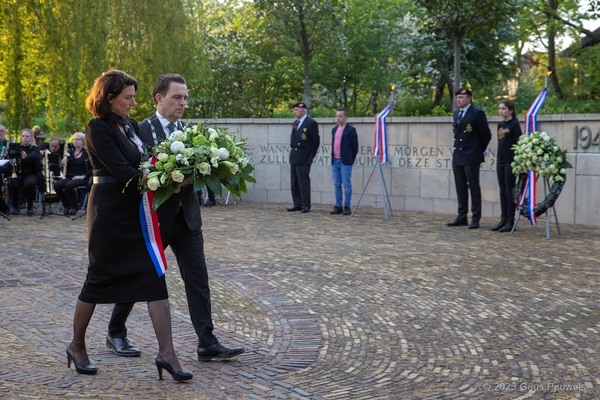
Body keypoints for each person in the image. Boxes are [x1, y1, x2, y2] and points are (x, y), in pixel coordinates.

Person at [107, 73, 245, 362]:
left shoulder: (194, 134)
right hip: (153, 219)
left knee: (198, 279)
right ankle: (116, 331)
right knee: (141, 275)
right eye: (177, 97)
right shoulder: (139, 130)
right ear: (159, 98)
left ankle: (207, 342)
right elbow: (134, 175)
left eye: (185, 97)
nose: (183, 102)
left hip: (188, 219)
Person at [67, 70, 192, 381]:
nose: (134, 102)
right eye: (128, 98)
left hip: (135, 211)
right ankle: (77, 346)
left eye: (135, 97)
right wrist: (166, 181)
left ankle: (167, 354)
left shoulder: (131, 126)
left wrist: (175, 169)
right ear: (109, 98)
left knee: (154, 277)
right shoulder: (97, 128)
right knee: (97, 281)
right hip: (109, 213)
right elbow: (124, 171)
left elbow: (146, 161)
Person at [447, 88, 492, 229]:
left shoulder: (476, 113)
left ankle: (475, 217)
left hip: (472, 155)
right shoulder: (456, 114)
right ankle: (461, 216)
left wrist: (478, 150)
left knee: (473, 186)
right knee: (460, 186)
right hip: (459, 154)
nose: (458, 100)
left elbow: (486, 135)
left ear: (469, 99)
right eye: (457, 97)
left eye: (461, 97)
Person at [492, 99, 522, 232]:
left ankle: (510, 220)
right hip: (500, 161)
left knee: (509, 191)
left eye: (503, 108)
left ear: (510, 110)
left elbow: (520, 142)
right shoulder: (500, 124)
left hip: (511, 161)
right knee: (502, 190)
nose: (501, 111)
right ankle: (503, 219)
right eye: (500, 108)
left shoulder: (514, 124)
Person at [286, 101, 320, 213]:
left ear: (302, 110)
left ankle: (306, 204)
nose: (294, 112)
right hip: (295, 155)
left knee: (303, 181)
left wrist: (311, 156)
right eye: (294, 110)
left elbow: (315, 142)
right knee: (294, 182)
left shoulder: (310, 123)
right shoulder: (295, 123)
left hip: (304, 157)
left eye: (296, 110)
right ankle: (297, 203)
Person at [329, 108, 358, 216]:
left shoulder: (351, 130)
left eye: (340, 116)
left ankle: (347, 206)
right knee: (336, 184)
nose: (338, 118)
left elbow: (355, 147)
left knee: (346, 184)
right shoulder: (334, 130)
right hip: (335, 160)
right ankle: (338, 206)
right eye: (337, 116)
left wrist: (350, 159)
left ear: (345, 117)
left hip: (345, 161)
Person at [54, 132, 91, 216]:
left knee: (69, 185)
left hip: (83, 178)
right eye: (74, 139)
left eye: (78, 139)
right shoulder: (70, 153)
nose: (75, 141)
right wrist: (63, 163)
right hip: (70, 177)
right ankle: (66, 205)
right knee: (57, 185)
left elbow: (93, 169)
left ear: (83, 141)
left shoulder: (87, 154)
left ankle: (74, 207)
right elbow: (64, 168)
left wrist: (83, 176)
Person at [6, 128, 42, 216]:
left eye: (27, 136)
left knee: (29, 183)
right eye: (23, 136)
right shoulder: (18, 147)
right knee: (13, 182)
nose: (25, 138)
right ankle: (15, 206)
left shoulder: (34, 148)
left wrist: (27, 157)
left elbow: (35, 156)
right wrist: (8, 155)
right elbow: (12, 159)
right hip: (19, 173)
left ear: (31, 138)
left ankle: (30, 207)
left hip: (32, 173)